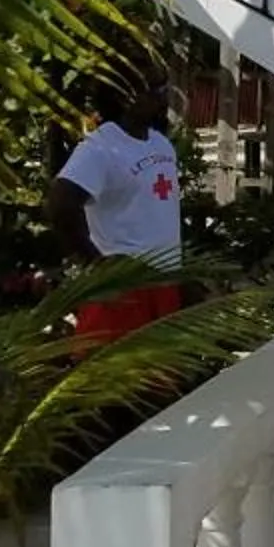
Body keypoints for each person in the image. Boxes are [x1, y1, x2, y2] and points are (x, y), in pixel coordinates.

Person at [49, 64, 186, 341]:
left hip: (165, 280)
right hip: (125, 289)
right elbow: (61, 202)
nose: (163, 96)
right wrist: (96, 264)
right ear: (126, 96)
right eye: (155, 90)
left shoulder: (160, 143)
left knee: (165, 378)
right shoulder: (101, 148)